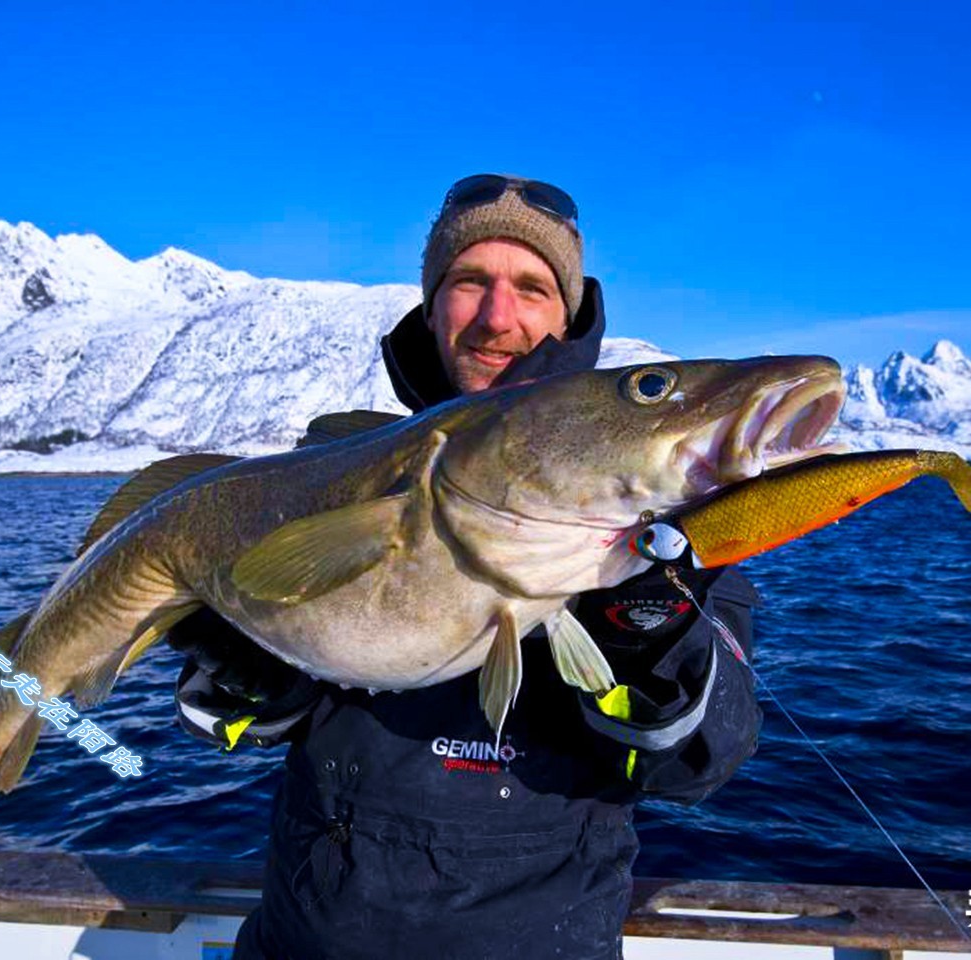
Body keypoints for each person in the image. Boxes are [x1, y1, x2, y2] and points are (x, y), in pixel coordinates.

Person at [165, 174, 763, 960]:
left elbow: (698, 763)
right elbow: (226, 727)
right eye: (468, 281)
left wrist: (651, 636)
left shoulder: (667, 522)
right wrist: (245, 663)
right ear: (431, 303)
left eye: (532, 288)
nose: (496, 317)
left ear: (570, 316)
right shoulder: (328, 475)